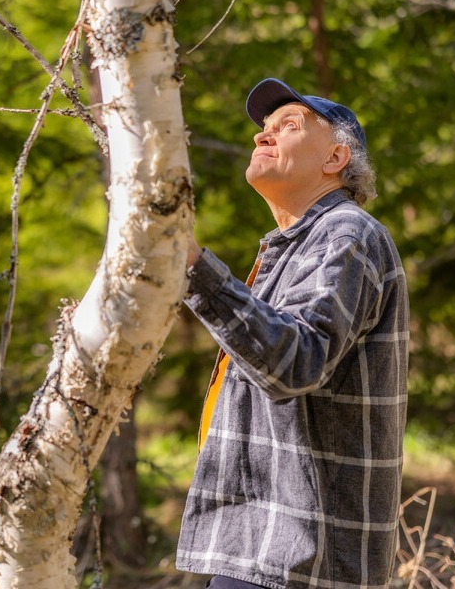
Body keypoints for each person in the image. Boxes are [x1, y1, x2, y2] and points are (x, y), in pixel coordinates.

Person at [175, 78, 409, 588]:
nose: (263, 136)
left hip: (303, 552)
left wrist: (195, 267)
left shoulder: (348, 234)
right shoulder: (294, 245)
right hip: (269, 542)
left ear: (335, 159)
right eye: (262, 128)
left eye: (289, 125)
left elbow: (296, 363)